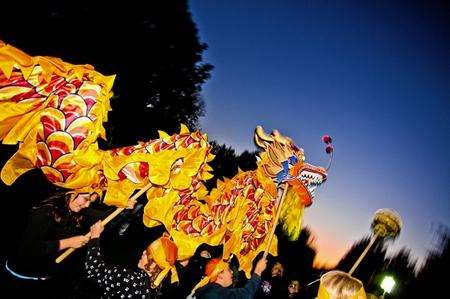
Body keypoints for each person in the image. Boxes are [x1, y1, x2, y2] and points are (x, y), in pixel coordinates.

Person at [4, 190, 135, 297]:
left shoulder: (79, 212)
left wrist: (122, 207)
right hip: (20, 277)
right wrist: (67, 243)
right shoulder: (45, 212)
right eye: (86, 199)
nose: (87, 205)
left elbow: (103, 219)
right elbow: (27, 249)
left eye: (91, 201)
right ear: (72, 192)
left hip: (44, 278)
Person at [86, 221, 179, 298]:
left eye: (147, 253)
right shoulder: (154, 292)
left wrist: (94, 238)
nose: (143, 253)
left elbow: (95, 271)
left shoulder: (130, 279)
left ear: (154, 264)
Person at [190, 256, 267, 299]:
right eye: (229, 270)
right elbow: (245, 294)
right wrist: (258, 271)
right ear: (220, 275)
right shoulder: (216, 294)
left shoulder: (208, 289)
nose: (232, 272)